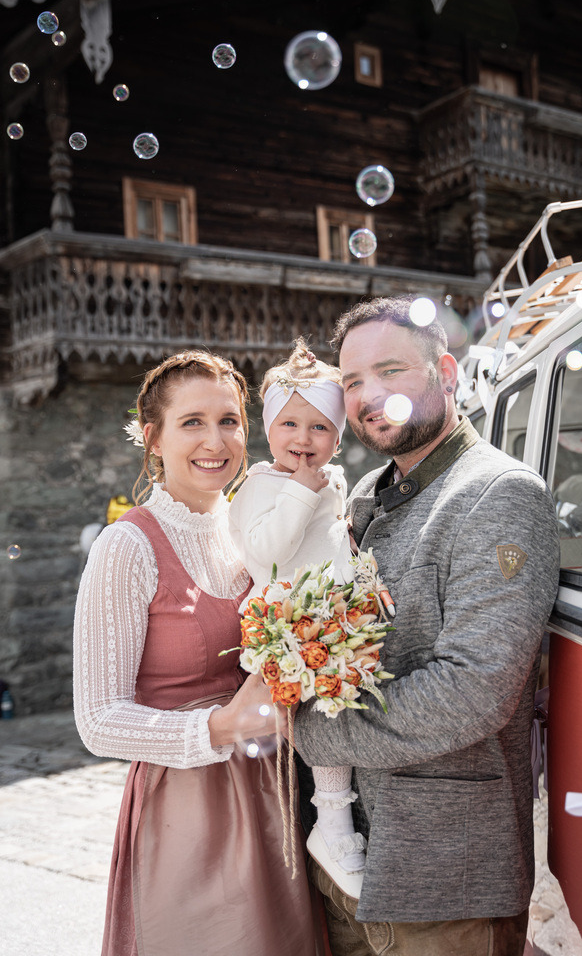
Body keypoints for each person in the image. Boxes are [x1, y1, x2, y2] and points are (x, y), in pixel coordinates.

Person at [293, 297, 561, 956]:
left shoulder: (499, 493)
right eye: (352, 381)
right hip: (343, 856)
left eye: (390, 370)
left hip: (445, 878)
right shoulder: (362, 496)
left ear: (445, 372)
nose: (369, 395)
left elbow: (473, 690)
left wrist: (315, 729)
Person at [73, 350, 318, 956]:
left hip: (276, 791)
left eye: (230, 420)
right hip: (187, 811)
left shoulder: (251, 529)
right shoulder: (126, 549)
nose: (217, 440)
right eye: (193, 423)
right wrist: (221, 725)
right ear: (152, 437)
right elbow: (98, 721)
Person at [229, 339, 367, 900]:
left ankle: (333, 820)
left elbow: (334, 543)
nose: (303, 441)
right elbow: (268, 551)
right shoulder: (262, 486)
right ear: (268, 430)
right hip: (289, 625)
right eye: (289, 425)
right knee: (328, 719)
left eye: (319, 429)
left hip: (330, 618)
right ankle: (331, 825)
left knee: (342, 715)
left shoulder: (328, 481)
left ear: (337, 437)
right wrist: (301, 496)